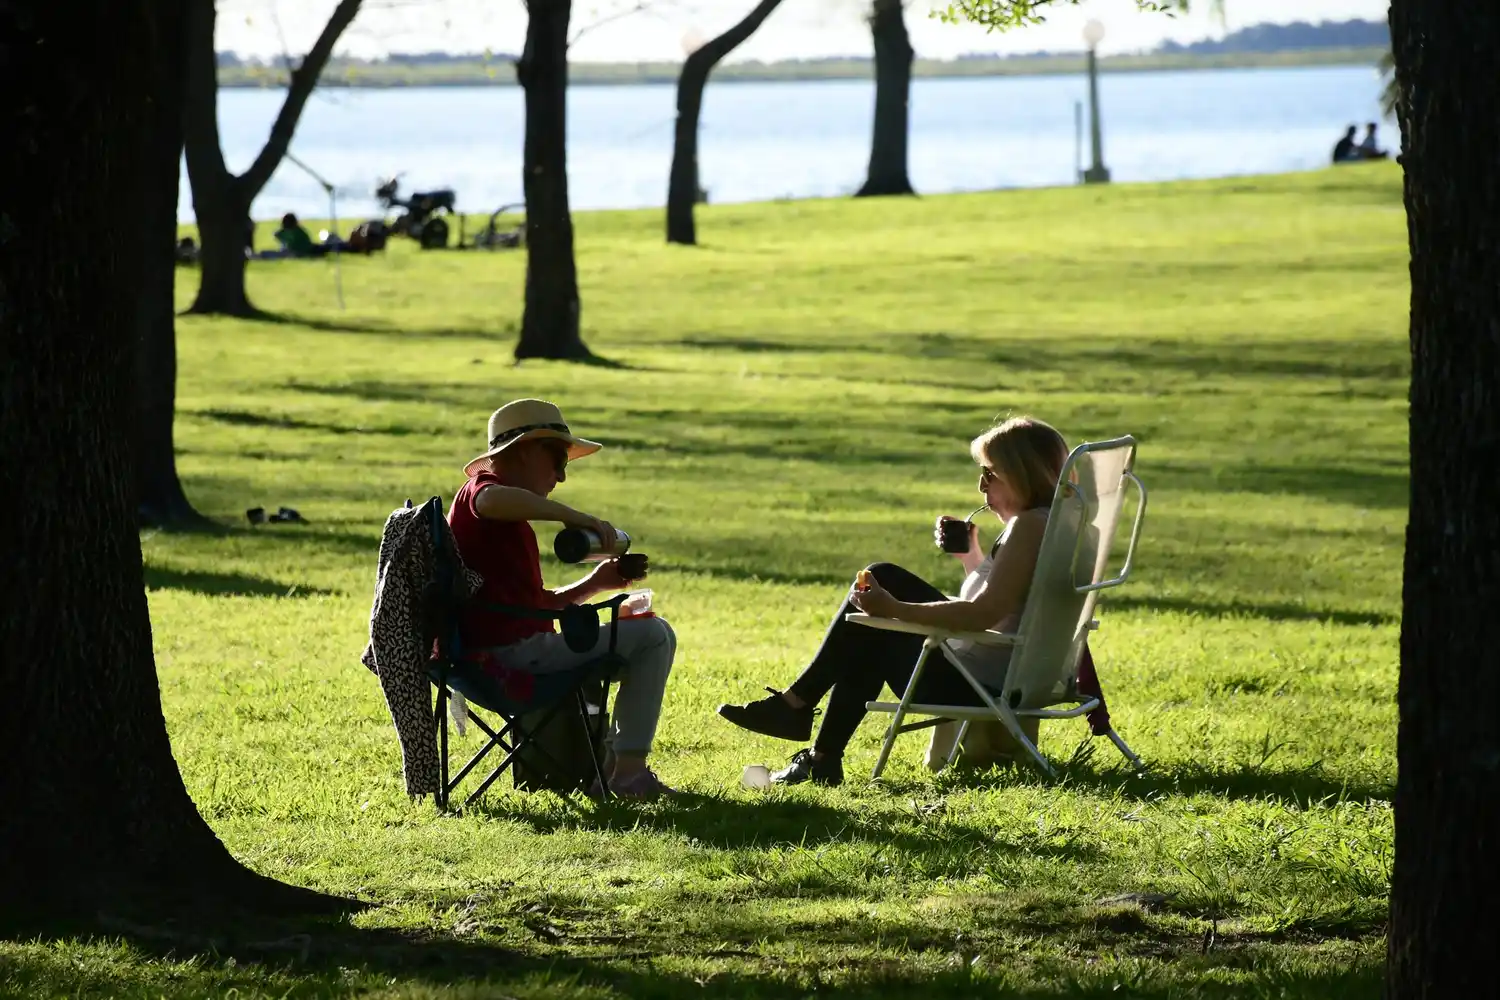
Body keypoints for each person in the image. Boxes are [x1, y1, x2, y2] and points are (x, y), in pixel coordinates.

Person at [717, 416, 1066, 786]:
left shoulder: (1027, 527)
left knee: (878, 595)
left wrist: (894, 610)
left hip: (977, 684)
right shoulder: (1057, 523)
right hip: (1011, 671)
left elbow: (985, 613)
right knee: (874, 610)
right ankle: (814, 743)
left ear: (1022, 472)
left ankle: (798, 710)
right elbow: (1011, 605)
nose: (981, 485)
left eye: (990, 474)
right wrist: (971, 557)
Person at [448, 398, 677, 799]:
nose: (561, 476)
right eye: (557, 459)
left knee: (649, 633)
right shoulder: (481, 495)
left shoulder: (506, 520)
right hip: (507, 657)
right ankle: (625, 772)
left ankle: (612, 769)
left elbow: (528, 603)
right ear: (521, 451)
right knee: (654, 636)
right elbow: (490, 499)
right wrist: (575, 517)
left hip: (509, 648)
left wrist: (596, 583)